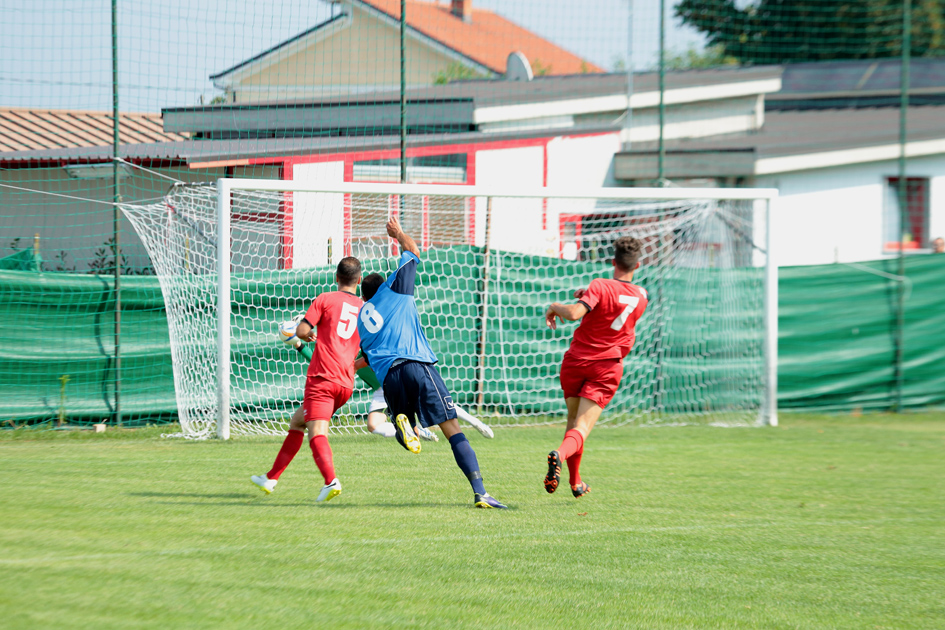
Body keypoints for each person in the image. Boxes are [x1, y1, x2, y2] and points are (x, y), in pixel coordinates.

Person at [357, 216, 507, 509]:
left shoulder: (363, 323)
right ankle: (481, 493)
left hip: (389, 380)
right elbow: (413, 250)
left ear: (364, 298)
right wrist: (398, 233)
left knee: (408, 427)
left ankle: (404, 425)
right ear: (383, 284)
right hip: (416, 366)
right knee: (453, 430)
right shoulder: (394, 289)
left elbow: (365, 359)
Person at [250, 257, 364, 503]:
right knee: (297, 422)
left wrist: (308, 334)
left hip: (322, 378)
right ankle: (271, 477)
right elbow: (370, 352)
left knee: (316, 431)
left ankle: (330, 481)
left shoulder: (325, 299)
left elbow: (300, 331)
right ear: (360, 280)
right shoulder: (365, 308)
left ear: (336, 277)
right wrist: (351, 366)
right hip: (345, 384)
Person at [543, 236, 649, 498]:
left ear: (612, 261)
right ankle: (559, 454)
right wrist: (591, 295)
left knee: (573, 422)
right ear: (638, 265)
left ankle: (575, 482)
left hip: (576, 361)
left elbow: (575, 314)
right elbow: (616, 307)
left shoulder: (599, 285)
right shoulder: (642, 296)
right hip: (606, 367)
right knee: (582, 428)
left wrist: (555, 307)